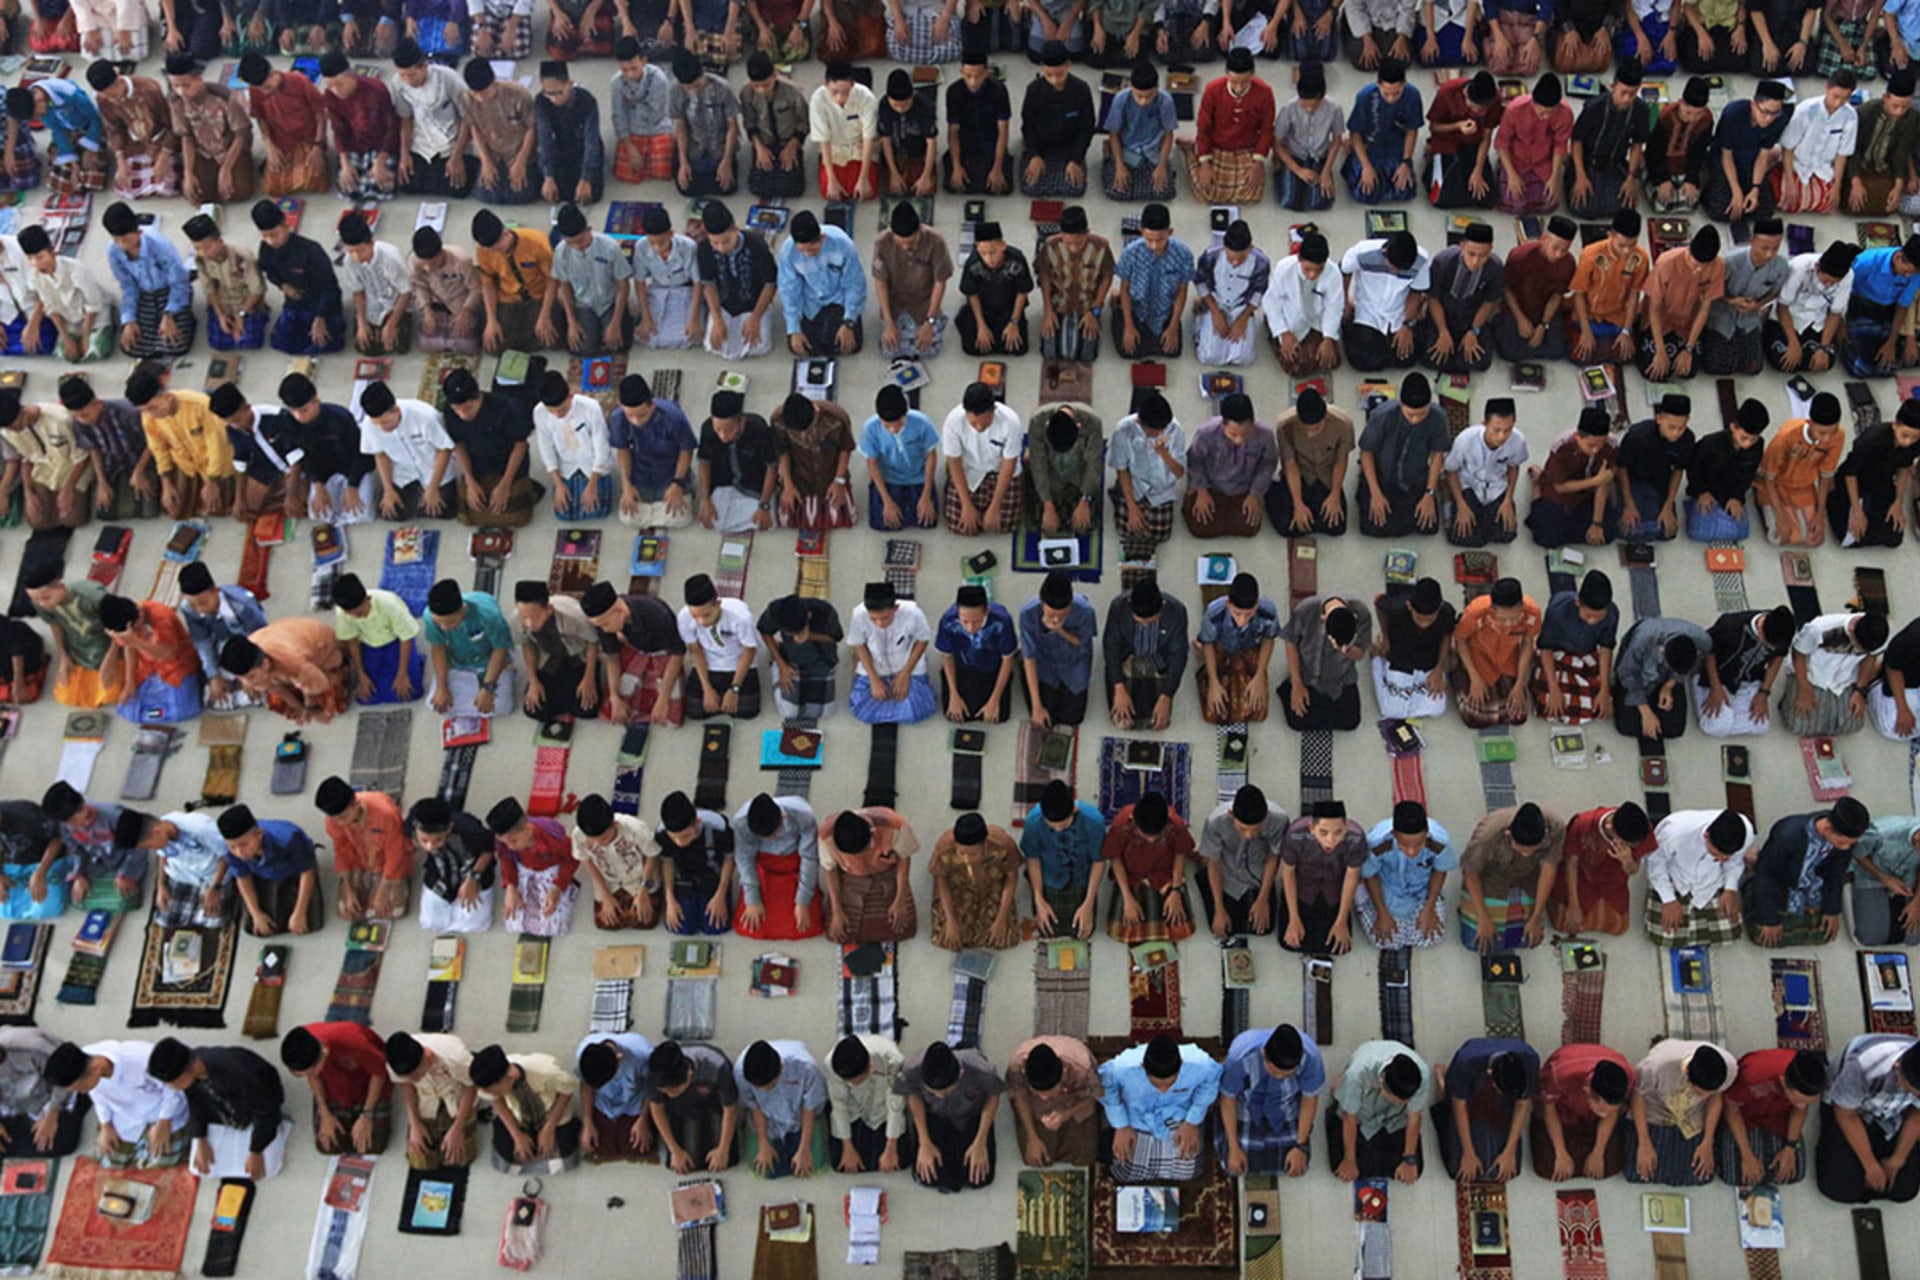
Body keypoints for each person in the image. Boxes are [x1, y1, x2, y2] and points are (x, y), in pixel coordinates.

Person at [145, 1039, 291, 1180]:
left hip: (257, 1112)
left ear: (186, 1072)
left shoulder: (240, 1072)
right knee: (199, 1168)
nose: (172, 1088)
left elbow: (267, 1112)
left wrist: (255, 1151)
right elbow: (195, 1105)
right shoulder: (192, 1073)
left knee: (267, 1169)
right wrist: (199, 1137)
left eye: (172, 1083)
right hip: (225, 1114)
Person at [1743, 799, 1869, 946]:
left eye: (1850, 844)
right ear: (1828, 828)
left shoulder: (1844, 843)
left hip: (1811, 885)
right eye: (1842, 843)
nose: (1846, 848)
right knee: (1763, 934)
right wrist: (1769, 919)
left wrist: (1832, 909)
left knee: (1825, 933)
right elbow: (1767, 875)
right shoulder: (1788, 835)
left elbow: (1836, 874)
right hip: (1783, 882)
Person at [1099, 1035, 1221, 1183]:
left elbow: (1210, 1085)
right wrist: (1121, 1125)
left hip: (1179, 1118)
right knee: (1126, 1171)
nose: (1163, 1090)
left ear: (1181, 1064)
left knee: (1188, 1170)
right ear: (1142, 1066)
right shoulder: (1122, 1067)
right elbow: (1105, 1087)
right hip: (1136, 1119)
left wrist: (1192, 1122)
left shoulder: (1201, 1065)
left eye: (1170, 1084)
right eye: (1156, 1085)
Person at [46, 1040, 184, 1166]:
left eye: (79, 1088)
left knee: (161, 1161)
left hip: (163, 1110)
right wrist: (106, 1125)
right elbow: (98, 1096)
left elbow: (174, 1087)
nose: (81, 1092)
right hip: (125, 1115)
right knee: (109, 1159)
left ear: (95, 1069)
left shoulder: (142, 1059)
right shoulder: (86, 1061)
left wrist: (164, 1121)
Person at [1817, 1034, 1920, 1203]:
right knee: (1837, 1188)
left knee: (1906, 1191)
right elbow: (1845, 1114)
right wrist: (1871, 1166)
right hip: (1854, 1112)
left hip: (1893, 1115)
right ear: (1898, 1065)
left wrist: (1896, 1160)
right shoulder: (1863, 1066)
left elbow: (1917, 1115)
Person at [896, 1041, 1003, 1192]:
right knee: (929, 1178)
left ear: (959, 1076)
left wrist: (980, 1142)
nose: (939, 1095)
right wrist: (924, 1142)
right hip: (936, 1115)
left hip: (971, 1115)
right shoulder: (911, 1069)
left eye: (945, 1092)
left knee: (979, 1179)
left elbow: (993, 1096)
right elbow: (913, 1096)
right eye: (933, 1092)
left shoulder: (982, 1071)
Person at [1626, 1039, 1735, 1185]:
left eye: (1709, 1093)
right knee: (1638, 1171)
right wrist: (1644, 1142)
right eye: (1699, 1092)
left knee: (1700, 1175)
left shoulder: (1729, 1067)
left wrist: (1707, 1141)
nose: (1705, 1097)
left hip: (1692, 1113)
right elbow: (1637, 1096)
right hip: (1656, 1108)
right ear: (1687, 1074)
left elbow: (1716, 1099)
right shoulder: (1655, 1067)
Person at [125, 372, 233, 520]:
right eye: (144, 410)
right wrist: (166, 483)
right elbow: (158, 449)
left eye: (153, 408)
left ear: (167, 397)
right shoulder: (149, 415)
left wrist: (213, 482)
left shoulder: (201, 406)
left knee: (220, 509)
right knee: (174, 510)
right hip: (187, 465)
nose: (151, 415)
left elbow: (218, 446)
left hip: (219, 466)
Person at [1460, 801, 1563, 950]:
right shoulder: (1488, 834)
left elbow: (1549, 868)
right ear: (1508, 834)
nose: (1526, 855)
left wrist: (1536, 917)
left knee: (1527, 939)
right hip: (1491, 878)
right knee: (1476, 941)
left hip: (1528, 876)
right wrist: (1483, 918)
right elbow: (1470, 872)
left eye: (1532, 851)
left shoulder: (1556, 828)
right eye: (1521, 850)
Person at [1643, 807, 1755, 945]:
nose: (1723, 859)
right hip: (1676, 877)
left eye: (1726, 857)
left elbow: (1735, 863)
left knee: (1730, 933)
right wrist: (1668, 900)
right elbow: (1655, 863)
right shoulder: (1675, 833)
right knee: (1664, 936)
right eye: (1717, 855)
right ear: (1706, 836)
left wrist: (1730, 889)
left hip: (1711, 881)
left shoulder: (1746, 832)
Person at [1326, 1040, 1432, 1182]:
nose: (1405, 1103)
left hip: (1396, 1117)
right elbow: (1349, 1118)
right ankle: (1341, 1087)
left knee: (1412, 1171)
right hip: (1363, 1111)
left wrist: (1409, 1159)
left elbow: (1414, 1117)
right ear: (1382, 1081)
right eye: (1398, 1100)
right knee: (1342, 1165)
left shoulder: (1422, 1075)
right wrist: (1349, 1160)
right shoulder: (1357, 1074)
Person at [1718, 1048, 1826, 1186]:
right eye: (1799, 1100)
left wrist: (1790, 1147)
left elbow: (1799, 1110)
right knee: (1734, 1175)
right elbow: (1731, 1108)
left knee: (1795, 1172)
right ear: (1783, 1083)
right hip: (1746, 1113)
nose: (1802, 1105)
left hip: (1779, 1115)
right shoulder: (1754, 1075)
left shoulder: (1805, 1077)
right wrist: (1747, 1155)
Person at [1357, 372, 1448, 536]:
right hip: (1383, 476)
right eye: (1410, 414)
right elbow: (1366, 452)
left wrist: (1429, 493)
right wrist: (1375, 492)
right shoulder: (1382, 415)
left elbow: (1437, 455)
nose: (1415, 420)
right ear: (1401, 404)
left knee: (1428, 527)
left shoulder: (1438, 418)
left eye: (1421, 414)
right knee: (1372, 526)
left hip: (1414, 478)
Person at [443, 370, 537, 527]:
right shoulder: (449, 412)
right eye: (456, 410)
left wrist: (505, 484)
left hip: (508, 466)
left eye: (468, 409)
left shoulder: (506, 408)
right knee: (467, 514)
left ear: (478, 396)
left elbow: (520, 446)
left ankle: (527, 487)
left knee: (519, 516)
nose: (462, 416)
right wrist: (470, 481)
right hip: (477, 467)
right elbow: (458, 445)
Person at [253, 198, 345, 355]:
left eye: (274, 234)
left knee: (324, 342)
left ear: (286, 225)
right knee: (283, 342)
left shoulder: (310, 251)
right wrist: (283, 285)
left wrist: (320, 317)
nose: (270, 241)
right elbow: (268, 271)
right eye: (265, 236)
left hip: (322, 303)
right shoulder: (266, 249)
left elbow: (331, 288)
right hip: (296, 301)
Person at [1357, 800, 1456, 948]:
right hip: (1388, 888)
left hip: (1421, 890)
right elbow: (1370, 874)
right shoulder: (1377, 843)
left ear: (1427, 833)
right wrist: (1382, 912)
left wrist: (1429, 907)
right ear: (1394, 834)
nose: (1411, 851)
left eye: (1418, 845)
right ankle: (1361, 896)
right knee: (1381, 940)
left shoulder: (1439, 842)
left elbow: (1440, 870)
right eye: (1404, 845)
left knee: (1432, 936)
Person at [1437, 1038, 1538, 1182]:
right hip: (1468, 1091)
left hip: (1498, 1101)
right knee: (1458, 1169)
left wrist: (1509, 1150)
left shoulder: (1529, 1060)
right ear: (1490, 1073)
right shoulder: (1466, 1062)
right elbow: (1459, 1105)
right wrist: (1468, 1153)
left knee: (1501, 1171)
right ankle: (1443, 1078)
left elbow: (1522, 1104)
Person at [281, 1023, 391, 1155]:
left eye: (311, 1072)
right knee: (329, 1146)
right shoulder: (302, 1044)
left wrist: (366, 1116)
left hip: (366, 1084)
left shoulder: (354, 1042)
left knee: (371, 1146)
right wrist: (325, 1113)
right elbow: (314, 1078)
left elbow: (379, 1072)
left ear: (324, 1054)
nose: (308, 1076)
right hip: (334, 1089)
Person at [102, 202, 194, 359]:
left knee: (174, 341)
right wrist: (129, 320)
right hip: (143, 294)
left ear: (138, 232)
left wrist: (169, 315)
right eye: (117, 240)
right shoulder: (113, 251)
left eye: (125, 239)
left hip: (170, 291)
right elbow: (128, 287)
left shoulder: (161, 246)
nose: (121, 245)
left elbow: (180, 283)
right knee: (133, 343)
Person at [116, 807, 234, 928]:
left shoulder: (201, 829)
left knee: (214, 921)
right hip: (183, 875)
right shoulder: (160, 834)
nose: (152, 850)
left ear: (157, 832)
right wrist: (161, 885)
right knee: (165, 919)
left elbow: (227, 855)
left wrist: (215, 888)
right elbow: (163, 858)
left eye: (150, 846)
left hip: (213, 875)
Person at [314, 777, 411, 923]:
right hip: (359, 861)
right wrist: (348, 888)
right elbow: (341, 850)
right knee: (346, 911)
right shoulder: (332, 821)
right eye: (335, 819)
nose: (340, 823)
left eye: (343, 817)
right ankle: (365, 884)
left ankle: (390, 884)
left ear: (355, 803)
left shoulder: (385, 814)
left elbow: (395, 852)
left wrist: (383, 890)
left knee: (394, 911)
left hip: (387, 863)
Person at [471, 1045, 580, 1174]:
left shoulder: (547, 1072)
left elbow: (566, 1092)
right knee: (503, 1162)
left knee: (566, 1160)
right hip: (519, 1115)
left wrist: (548, 1128)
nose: (488, 1093)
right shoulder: (490, 1084)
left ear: (510, 1077)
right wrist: (517, 1135)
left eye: (496, 1090)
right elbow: (497, 1103)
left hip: (550, 1112)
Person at [1550, 801, 1655, 935]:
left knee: (1619, 928)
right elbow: (1571, 863)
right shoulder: (1583, 823)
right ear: (1610, 827)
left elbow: (1633, 871)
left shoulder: (1641, 831)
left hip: (1612, 880)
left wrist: (1627, 861)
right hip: (1582, 876)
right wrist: (1573, 905)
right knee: (1563, 923)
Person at [1101, 793, 1193, 943]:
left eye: (1156, 837)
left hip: (1164, 875)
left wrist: (1176, 891)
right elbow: (1114, 858)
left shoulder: (1175, 824)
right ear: (1136, 824)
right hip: (1131, 877)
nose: (1151, 840)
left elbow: (1180, 854)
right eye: (1146, 835)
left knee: (1180, 924)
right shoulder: (1122, 823)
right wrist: (1127, 898)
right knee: (1123, 929)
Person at [1188, 48, 1277, 204]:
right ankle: (1188, 152)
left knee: (1252, 195)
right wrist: (1204, 163)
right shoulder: (1213, 90)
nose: (1239, 88)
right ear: (1227, 74)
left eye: (1244, 82)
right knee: (1205, 193)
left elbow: (1266, 130)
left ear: (1252, 74)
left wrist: (1257, 163)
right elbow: (1203, 128)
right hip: (1217, 146)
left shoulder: (1265, 92)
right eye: (1234, 82)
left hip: (1246, 148)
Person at [544, 203, 634, 356]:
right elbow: (564, 287)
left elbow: (623, 285)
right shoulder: (561, 252)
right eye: (571, 242)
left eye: (580, 240)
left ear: (589, 230)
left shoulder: (609, 247)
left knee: (618, 345)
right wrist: (572, 322)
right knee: (581, 348)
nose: (577, 246)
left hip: (609, 300)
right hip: (583, 303)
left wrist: (615, 323)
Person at [99, 593, 202, 725]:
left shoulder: (161, 616)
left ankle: (159, 712)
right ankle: (153, 713)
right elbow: (128, 648)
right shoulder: (125, 629)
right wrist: (130, 681)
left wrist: (135, 640)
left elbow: (167, 654)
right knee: (128, 710)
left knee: (180, 711)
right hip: (149, 671)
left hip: (177, 670)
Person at [218, 804, 321, 937]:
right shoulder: (229, 850)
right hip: (262, 873)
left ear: (259, 834)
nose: (239, 853)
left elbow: (307, 871)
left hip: (294, 871)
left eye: (244, 844)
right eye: (233, 847)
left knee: (310, 921)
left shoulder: (288, 839)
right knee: (256, 927)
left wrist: (299, 913)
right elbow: (242, 877)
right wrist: (256, 914)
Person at [23, 568, 118, 710]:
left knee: (112, 694)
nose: (42, 604)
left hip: (110, 645)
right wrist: (63, 656)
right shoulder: (40, 602)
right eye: (35, 600)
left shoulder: (92, 596)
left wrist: (110, 660)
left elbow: (120, 627)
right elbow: (55, 625)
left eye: (46, 598)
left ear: (60, 586)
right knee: (66, 695)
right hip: (80, 650)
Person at [40, 783, 144, 914]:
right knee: (79, 897)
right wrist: (79, 875)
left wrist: (127, 873)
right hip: (100, 861)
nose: (84, 817)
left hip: (126, 857)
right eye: (74, 821)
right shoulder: (67, 828)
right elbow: (77, 851)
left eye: (81, 809)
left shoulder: (115, 816)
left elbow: (140, 842)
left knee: (127, 896)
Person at [1022, 781, 1107, 940]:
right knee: (1048, 930)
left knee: (1082, 932)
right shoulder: (1033, 821)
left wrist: (1088, 904)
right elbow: (1033, 859)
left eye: (1063, 824)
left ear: (1074, 810)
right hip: (1049, 879)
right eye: (1052, 826)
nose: (1058, 829)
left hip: (1082, 881)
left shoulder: (1093, 822)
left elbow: (1099, 861)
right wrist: (1039, 899)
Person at [1783, 607, 1887, 736]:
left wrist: (1860, 691)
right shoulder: (1818, 628)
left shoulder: (1877, 638)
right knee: (1796, 724)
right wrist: (1803, 688)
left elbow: (1870, 658)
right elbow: (1798, 653)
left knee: (1853, 725)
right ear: (1852, 630)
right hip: (1811, 675)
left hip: (1843, 681)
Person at [1184, 393, 1277, 538]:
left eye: (1245, 434)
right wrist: (1201, 491)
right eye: (1233, 434)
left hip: (1243, 488)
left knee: (1249, 527)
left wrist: (1255, 494)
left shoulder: (1265, 435)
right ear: (1223, 424)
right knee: (1200, 526)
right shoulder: (1206, 433)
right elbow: (1194, 461)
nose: (1239, 440)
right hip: (1211, 485)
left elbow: (1268, 464)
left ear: (1253, 423)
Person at [819, 807, 918, 943]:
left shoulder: (894, 826)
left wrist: (900, 899)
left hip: (886, 871)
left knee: (904, 926)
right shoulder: (825, 837)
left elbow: (904, 858)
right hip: (851, 875)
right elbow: (830, 870)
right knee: (838, 932)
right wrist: (837, 911)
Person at [1108, 394, 1188, 562]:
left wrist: (1164, 454)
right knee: (1125, 529)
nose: (1160, 433)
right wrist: (1132, 507)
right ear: (1139, 422)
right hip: (1134, 484)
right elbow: (1122, 470)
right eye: (1155, 431)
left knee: (1161, 533)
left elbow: (1180, 473)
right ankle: (1123, 501)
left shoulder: (1175, 429)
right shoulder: (1123, 430)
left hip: (1162, 488)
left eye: (1163, 429)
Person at [1533, 1045, 1632, 1180]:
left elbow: (1609, 1115)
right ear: (1587, 1091)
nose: (1604, 1114)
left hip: (1591, 1120)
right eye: (1601, 1109)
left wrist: (1598, 1152)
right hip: (1563, 1113)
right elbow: (1549, 1110)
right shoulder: (1559, 1076)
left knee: (1612, 1164)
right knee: (1548, 1168)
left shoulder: (1625, 1076)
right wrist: (1561, 1153)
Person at [1568, 59, 1652, 218]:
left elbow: (1637, 145)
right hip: (1588, 163)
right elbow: (1577, 140)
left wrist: (1631, 178)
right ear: (1614, 86)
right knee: (1581, 208)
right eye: (1623, 93)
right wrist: (1580, 176)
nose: (1627, 99)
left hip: (1614, 164)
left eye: (1632, 94)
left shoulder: (1641, 110)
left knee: (1626, 207)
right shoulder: (1594, 107)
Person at [610, 374, 696, 530]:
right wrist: (626, 486)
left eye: (641, 415)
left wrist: (677, 484)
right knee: (627, 517)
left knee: (681, 517)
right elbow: (622, 451)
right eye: (630, 415)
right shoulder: (617, 418)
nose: (636, 421)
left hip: (670, 473)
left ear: (652, 405)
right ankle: (656, 513)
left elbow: (687, 449)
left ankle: (654, 512)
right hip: (641, 474)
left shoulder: (673, 417)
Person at [1278, 800, 1365, 953]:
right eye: (1323, 833)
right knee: (1291, 942)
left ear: (1345, 827)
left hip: (1334, 890)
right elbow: (1288, 871)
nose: (1330, 840)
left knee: (1337, 946)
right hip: (1303, 889)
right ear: (1312, 828)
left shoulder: (1356, 838)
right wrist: (1293, 918)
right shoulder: (1296, 834)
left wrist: (1341, 921)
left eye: (1338, 832)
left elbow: (1352, 876)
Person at [1702, 221, 1788, 376]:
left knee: (1754, 367)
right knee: (1715, 366)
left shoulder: (1781, 266)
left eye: (1775, 248)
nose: (1769, 254)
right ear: (1752, 241)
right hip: (1722, 314)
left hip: (1749, 319)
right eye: (1764, 248)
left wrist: (1758, 305)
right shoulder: (1730, 261)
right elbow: (1710, 290)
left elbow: (1775, 292)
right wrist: (1731, 301)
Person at [732, 792, 822, 941]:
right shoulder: (741, 821)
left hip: (794, 857)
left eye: (773, 833)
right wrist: (752, 900)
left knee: (805, 923)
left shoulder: (804, 816)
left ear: (783, 818)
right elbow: (744, 859)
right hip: (762, 859)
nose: (771, 838)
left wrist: (802, 901)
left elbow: (809, 858)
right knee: (753, 923)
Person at [1831, 399, 1920, 547]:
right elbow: (1850, 472)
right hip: (1856, 480)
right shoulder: (1872, 439)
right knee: (1849, 537)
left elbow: (1904, 468)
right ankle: (1835, 499)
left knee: (1893, 536)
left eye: (1915, 438)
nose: (1909, 442)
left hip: (1881, 481)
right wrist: (1856, 510)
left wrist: (1898, 501)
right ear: (1895, 425)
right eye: (1905, 435)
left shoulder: (1915, 443)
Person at [695, 203, 778, 359]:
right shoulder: (704, 249)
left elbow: (770, 284)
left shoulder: (757, 246)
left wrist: (755, 317)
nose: (720, 248)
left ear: (736, 230)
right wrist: (717, 318)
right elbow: (709, 284)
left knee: (759, 347)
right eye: (715, 243)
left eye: (726, 241)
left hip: (754, 304)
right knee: (714, 346)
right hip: (724, 305)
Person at [422, 580, 517, 717]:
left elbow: (500, 649)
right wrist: (442, 686)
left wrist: (488, 688)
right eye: (439, 623)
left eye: (450, 622)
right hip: (458, 662)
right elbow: (438, 648)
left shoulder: (489, 616)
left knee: (502, 706)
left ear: (462, 611)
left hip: (489, 659)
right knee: (435, 703)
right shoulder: (430, 617)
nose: (444, 627)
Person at [385, 1032, 480, 1170]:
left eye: (416, 1075)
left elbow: (472, 1085)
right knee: (419, 1162)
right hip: (425, 1097)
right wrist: (414, 1124)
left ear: (426, 1058)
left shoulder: (456, 1057)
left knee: (459, 1158)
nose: (414, 1080)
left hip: (456, 1094)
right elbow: (405, 1086)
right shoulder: (394, 1061)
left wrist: (457, 1127)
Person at [486, 797, 580, 935]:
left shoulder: (554, 838)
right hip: (524, 868)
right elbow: (506, 858)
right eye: (506, 843)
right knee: (513, 923)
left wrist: (557, 888)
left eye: (514, 841)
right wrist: (510, 887)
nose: (510, 847)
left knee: (553, 926)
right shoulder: (506, 843)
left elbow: (572, 859)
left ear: (528, 829)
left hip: (550, 868)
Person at [510, 581, 601, 723]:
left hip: (577, 656)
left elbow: (592, 642)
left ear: (549, 609)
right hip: (549, 658)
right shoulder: (516, 619)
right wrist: (533, 681)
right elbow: (526, 645)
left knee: (587, 708)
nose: (528, 623)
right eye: (524, 617)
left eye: (534, 617)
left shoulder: (575, 617)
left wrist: (589, 678)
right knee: (534, 709)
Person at [1103, 576, 1188, 729]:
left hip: (1159, 656)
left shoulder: (1177, 612)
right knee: (1123, 721)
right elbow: (1111, 648)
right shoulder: (1118, 607)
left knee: (1157, 721)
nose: (1145, 625)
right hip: (1128, 654)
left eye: (1150, 622)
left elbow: (1178, 656)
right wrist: (1119, 687)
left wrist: (1166, 696)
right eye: (1139, 621)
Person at [734, 1040, 828, 1178]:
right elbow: (755, 1106)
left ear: (781, 1068)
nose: (764, 1090)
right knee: (768, 1171)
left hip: (800, 1114)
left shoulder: (807, 1069)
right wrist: (763, 1143)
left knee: (811, 1166)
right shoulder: (740, 1072)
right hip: (768, 1116)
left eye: (770, 1086)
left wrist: (804, 1149)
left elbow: (809, 1106)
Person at [928, 813, 1022, 950]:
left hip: (992, 885)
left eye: (973, 854)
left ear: (984, 844)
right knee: (949, 938)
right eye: (962, 853)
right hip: (959, 886)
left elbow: (1012, 876)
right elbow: (941, 879)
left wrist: (1001, 918)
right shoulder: (944, 847)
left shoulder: (1003, 845)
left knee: (1004, 938)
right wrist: (951, 920)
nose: (967, 859)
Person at [1194, 571, 1278, 725]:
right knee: (1212, 713)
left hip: (1250, 648)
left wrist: (1259, 675)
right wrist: (1213, 681)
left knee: (1258, 712)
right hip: (1221, 646)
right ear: (1229, 604)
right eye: (1237, 613)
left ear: (1257, 605)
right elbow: (1209, 644)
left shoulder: (1268, 611)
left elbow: (1268, 639)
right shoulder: (1214, 612)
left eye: (1248, 614)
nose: (1242, 621)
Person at [777, 211, 866, 356]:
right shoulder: (787, 253)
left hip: (839, 299)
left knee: (850, 345)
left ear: (822, 238)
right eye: (802, 250)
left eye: (812, 249)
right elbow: (789, 290)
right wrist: (794, 329)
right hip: (810, 302)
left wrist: (848, 322)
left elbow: (854, 284)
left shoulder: (844, 245)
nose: (807, 254)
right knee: (801, 347)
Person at [17, 225, 111, 362]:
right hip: (70, 320)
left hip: (94, 318)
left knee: (97, 352)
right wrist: (65, 337)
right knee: (65, 356)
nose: (36, 264)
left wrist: (85, 337)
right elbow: (51, 308)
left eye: (40, 257)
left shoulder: (77, 270)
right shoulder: (34, 277)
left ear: (53, 253)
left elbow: (93, 305)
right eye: (30, 259)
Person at [846, 580, 935, 724]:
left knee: (920, 709)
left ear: (896, 608)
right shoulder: (859, 614)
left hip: (906, 665)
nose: (880, 624)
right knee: (862, 711)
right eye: (873, 619)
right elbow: (858, 644)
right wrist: (874, 679)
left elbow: (923, 640)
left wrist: (905, 674)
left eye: (885, 617)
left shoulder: (913, 613)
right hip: (875, 665)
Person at [1527, 407, 1619, 548]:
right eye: (1591, 445)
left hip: (1587, 495)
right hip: (1561, 494)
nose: (1596, 451)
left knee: (1610, 533)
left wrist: (1596, 523)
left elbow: (1604, 483)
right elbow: (1560, 487)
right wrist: (1595, 481)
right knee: (1545, 538)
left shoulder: (1611, 446)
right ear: (1577, 436)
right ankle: (1538, 485)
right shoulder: (1562, 446)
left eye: (1600, 445)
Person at [646, 1041, 742, 1174]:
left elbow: (730, 1109)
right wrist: (675, 1150)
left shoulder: (717, 1066)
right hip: (679, 1106)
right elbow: (657, 1108)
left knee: (727, 1159)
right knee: (682, 1164)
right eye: (665, 1092)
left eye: (673, 1090)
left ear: (689, 1073)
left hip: (713, 1102)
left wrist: (723, 1150)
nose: (668, 1094)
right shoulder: (655, 1074)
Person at [1418, 224, 1503, 375]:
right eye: (1471, 254)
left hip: (1471, 317)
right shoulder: (1442, 262)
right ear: (1462, 246)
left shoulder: (1495, 268)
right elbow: (1433, 298)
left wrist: (1474, 331)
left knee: (1480, 361)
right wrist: (1443, 331)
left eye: (1482, 256)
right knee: (1432, 357)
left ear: (1490, 249)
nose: (1476, 261)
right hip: (1443, 314)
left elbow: (1489, 302)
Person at [675, 571, 761, 720]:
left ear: (718, 604)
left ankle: (726, 693)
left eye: (706, 615)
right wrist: (706, 688)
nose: (701, 622)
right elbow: (695, 650)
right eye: (695, 616)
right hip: (709, 663)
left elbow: (748, 651)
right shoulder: (683, 617)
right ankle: (717, 694)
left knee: (748, 711)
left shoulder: (740, 617)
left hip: (737, 662)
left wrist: (734, 689)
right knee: (695, 711)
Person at [0, 394, 93, 530]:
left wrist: (68, 489)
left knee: (72, 518)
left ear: (24, 412)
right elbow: (26, 460)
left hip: (72, 468)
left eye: (16, 427)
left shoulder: (61, 419)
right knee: (36, 521)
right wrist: (28, 492)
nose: (15, 431)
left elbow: (82, 458)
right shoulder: (8, 431)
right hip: (44, 472)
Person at [1696, 604, 1794, 735]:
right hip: (1716, 676)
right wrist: (1716, 687)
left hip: (1749, 680)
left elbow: (1778, 658)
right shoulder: (1730, 625)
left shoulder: (1782, 632)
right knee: (1713, 727)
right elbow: (1708, 651)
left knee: (1761, 725)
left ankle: (1729, 715)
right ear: (1760, 628)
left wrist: (1763, 693)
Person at [1002, 1037, 1100, 1168]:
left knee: (1084, 1157)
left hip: (1074, 1101)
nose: (1044, 1097)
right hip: (1036, 1107)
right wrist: (1032, 1137)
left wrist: (1066, 1114)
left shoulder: (1081, 1066)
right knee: (1037, 1159)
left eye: (1050, 1092)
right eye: (1038, 1092)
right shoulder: (1017, 1064)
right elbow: (1020, 1097)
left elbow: (1094, 1097)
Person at [1492, 214, 1576, 363]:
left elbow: (1557, 296)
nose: (1558, 255)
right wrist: (1520, 319)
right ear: (1544, 239)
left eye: (1564, 250)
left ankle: (1530, 345)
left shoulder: (1568, 263)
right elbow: (1507, 289)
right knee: (1508, 352)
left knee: (1558, 351)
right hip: (1518, 308)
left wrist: (1543, 325)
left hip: (1545, 311)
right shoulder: (1519, 256)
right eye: (1555, 248)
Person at [1568, 208, 1649, 365]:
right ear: (1610, 234)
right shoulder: (1590, 254)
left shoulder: (1641, 258)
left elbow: (1634, 295)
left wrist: (1626, 330)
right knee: (1581, 355)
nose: (1626, 251)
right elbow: (1578, 294)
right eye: (1621, 245)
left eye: (1632, 245)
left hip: (1617, 316)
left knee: (1626, 355)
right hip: (1590, 314)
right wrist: (1585, 331)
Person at [532, 370, 615, 522]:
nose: (558, 415)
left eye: (562, 410)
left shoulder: (591, 408)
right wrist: (558, 484)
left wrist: (592, 484)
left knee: (597, 510)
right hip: (566, 466)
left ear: (570, 395)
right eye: (552, 411)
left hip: (592, 463)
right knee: (564, 514)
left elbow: (601, 446)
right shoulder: (539, 412)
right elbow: (546, 448)